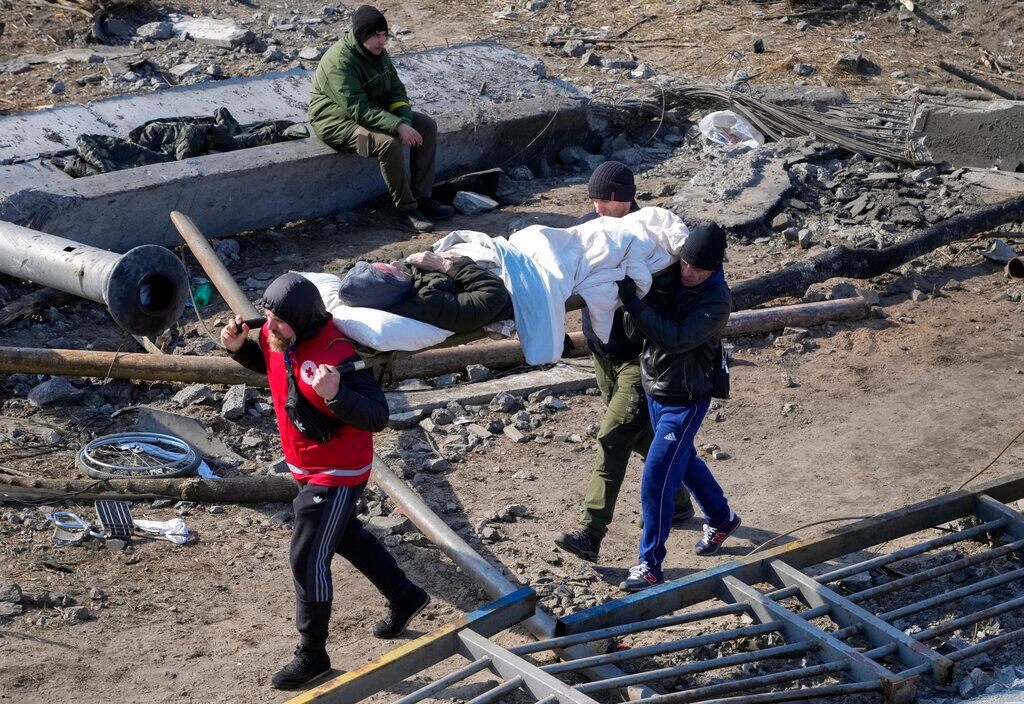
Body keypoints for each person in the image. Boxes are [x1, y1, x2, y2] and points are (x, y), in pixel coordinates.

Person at [221, 273, 430, 689]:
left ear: (302, 319)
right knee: (345, 535)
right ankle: (406, 595)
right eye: (267, 316)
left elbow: (377, 416)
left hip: (337, 472)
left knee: (307, 555)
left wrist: (337, 393)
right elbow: (272, 365)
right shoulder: (279, 338)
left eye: (277, 320)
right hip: (307, 466)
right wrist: (239, 349)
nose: (269, 326)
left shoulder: (338, 355)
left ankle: (313, 653)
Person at [555, 161, 693, 563]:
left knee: (613, 436)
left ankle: (591, 532)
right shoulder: (588, 227)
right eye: (593, 201)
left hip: (641, 359)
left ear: (626, 199)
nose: (597, 210)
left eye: (604, 202)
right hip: (603, 355)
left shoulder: (650, 238)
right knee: (640, 436)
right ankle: (683, 497)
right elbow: (564, 275)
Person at [617, 222, 741, 592]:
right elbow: (635, 330)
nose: (689, 273)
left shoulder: (717, 300)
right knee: (682, 460)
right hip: (656, 388)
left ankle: (650, 564)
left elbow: (676, 337)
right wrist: (639, 298)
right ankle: (721, 518)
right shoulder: (670, 271)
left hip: (687, 399)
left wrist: (635, 304)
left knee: (658, 476)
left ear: (715, 267)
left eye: (698, 269)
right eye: (685, 264)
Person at [308, 5, 453, 233]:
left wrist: (403, 120)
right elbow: (360, 109)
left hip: (369, 111)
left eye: (385, 35)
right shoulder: (339, 62)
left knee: (426, 125)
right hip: (336, 122)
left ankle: (422, 197)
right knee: (387, 144)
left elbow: (396, 90)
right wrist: (398, 127)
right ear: (362, 35)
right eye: (377, 35)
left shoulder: (378, 54)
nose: (382, 41)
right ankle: (406, 209)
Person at [336, 250, 513, 333]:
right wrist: (446, 265)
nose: (397, 264)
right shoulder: (429, 303)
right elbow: (494, 294)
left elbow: (353, 269)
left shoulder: (390, 287)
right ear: (394, 290)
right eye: (394, 271)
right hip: (510, 285)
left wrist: (410, 259)